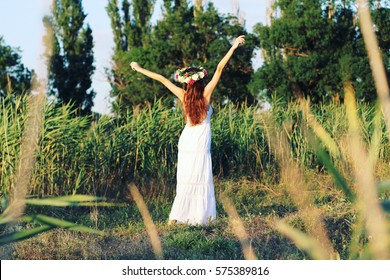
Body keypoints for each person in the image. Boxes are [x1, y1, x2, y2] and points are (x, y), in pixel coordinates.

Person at [130, 35, 245, 225]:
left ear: (186, 83)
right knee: (201, 176)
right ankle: (200, 217)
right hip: (200, 143)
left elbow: (161, 79)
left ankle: (177, 216)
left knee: (185, 178)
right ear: (200, 82)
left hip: (187, 141)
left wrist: (138, 68)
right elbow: (219, 69)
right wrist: (233, 47)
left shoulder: (183, 96)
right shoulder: (206, 95)